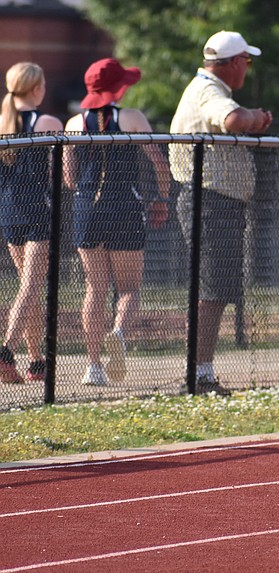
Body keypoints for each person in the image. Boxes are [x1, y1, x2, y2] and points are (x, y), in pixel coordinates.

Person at [169, 30, 272, 396]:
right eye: (246, 60)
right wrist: (256, 117)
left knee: (215, 289)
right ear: (232, 62)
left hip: (216, 202)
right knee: (209, 291)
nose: (247, 67)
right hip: (209, 201)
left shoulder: (208, 87)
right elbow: (230, 119)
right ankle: (197, 376)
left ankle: (201, 373)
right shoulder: (210, 91)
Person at [64, 58, 171, 387]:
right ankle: (119, 333)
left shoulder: (72, 124)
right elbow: (158, 163)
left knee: (94, 288)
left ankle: (93, 366)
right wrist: (162, 198)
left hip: (86, 208)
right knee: (128, 289)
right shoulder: (132, 118)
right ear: (117, 87)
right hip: (124, 205)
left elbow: (69, 177)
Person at [0, 63, 63, 384]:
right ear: (36, 88)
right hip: (38, 208)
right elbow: (60, 172)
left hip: (9, 210)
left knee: (30, 287)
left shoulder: (2, 122)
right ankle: (6, 350)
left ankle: (36, 361)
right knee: (30, 285)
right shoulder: (48, 122)